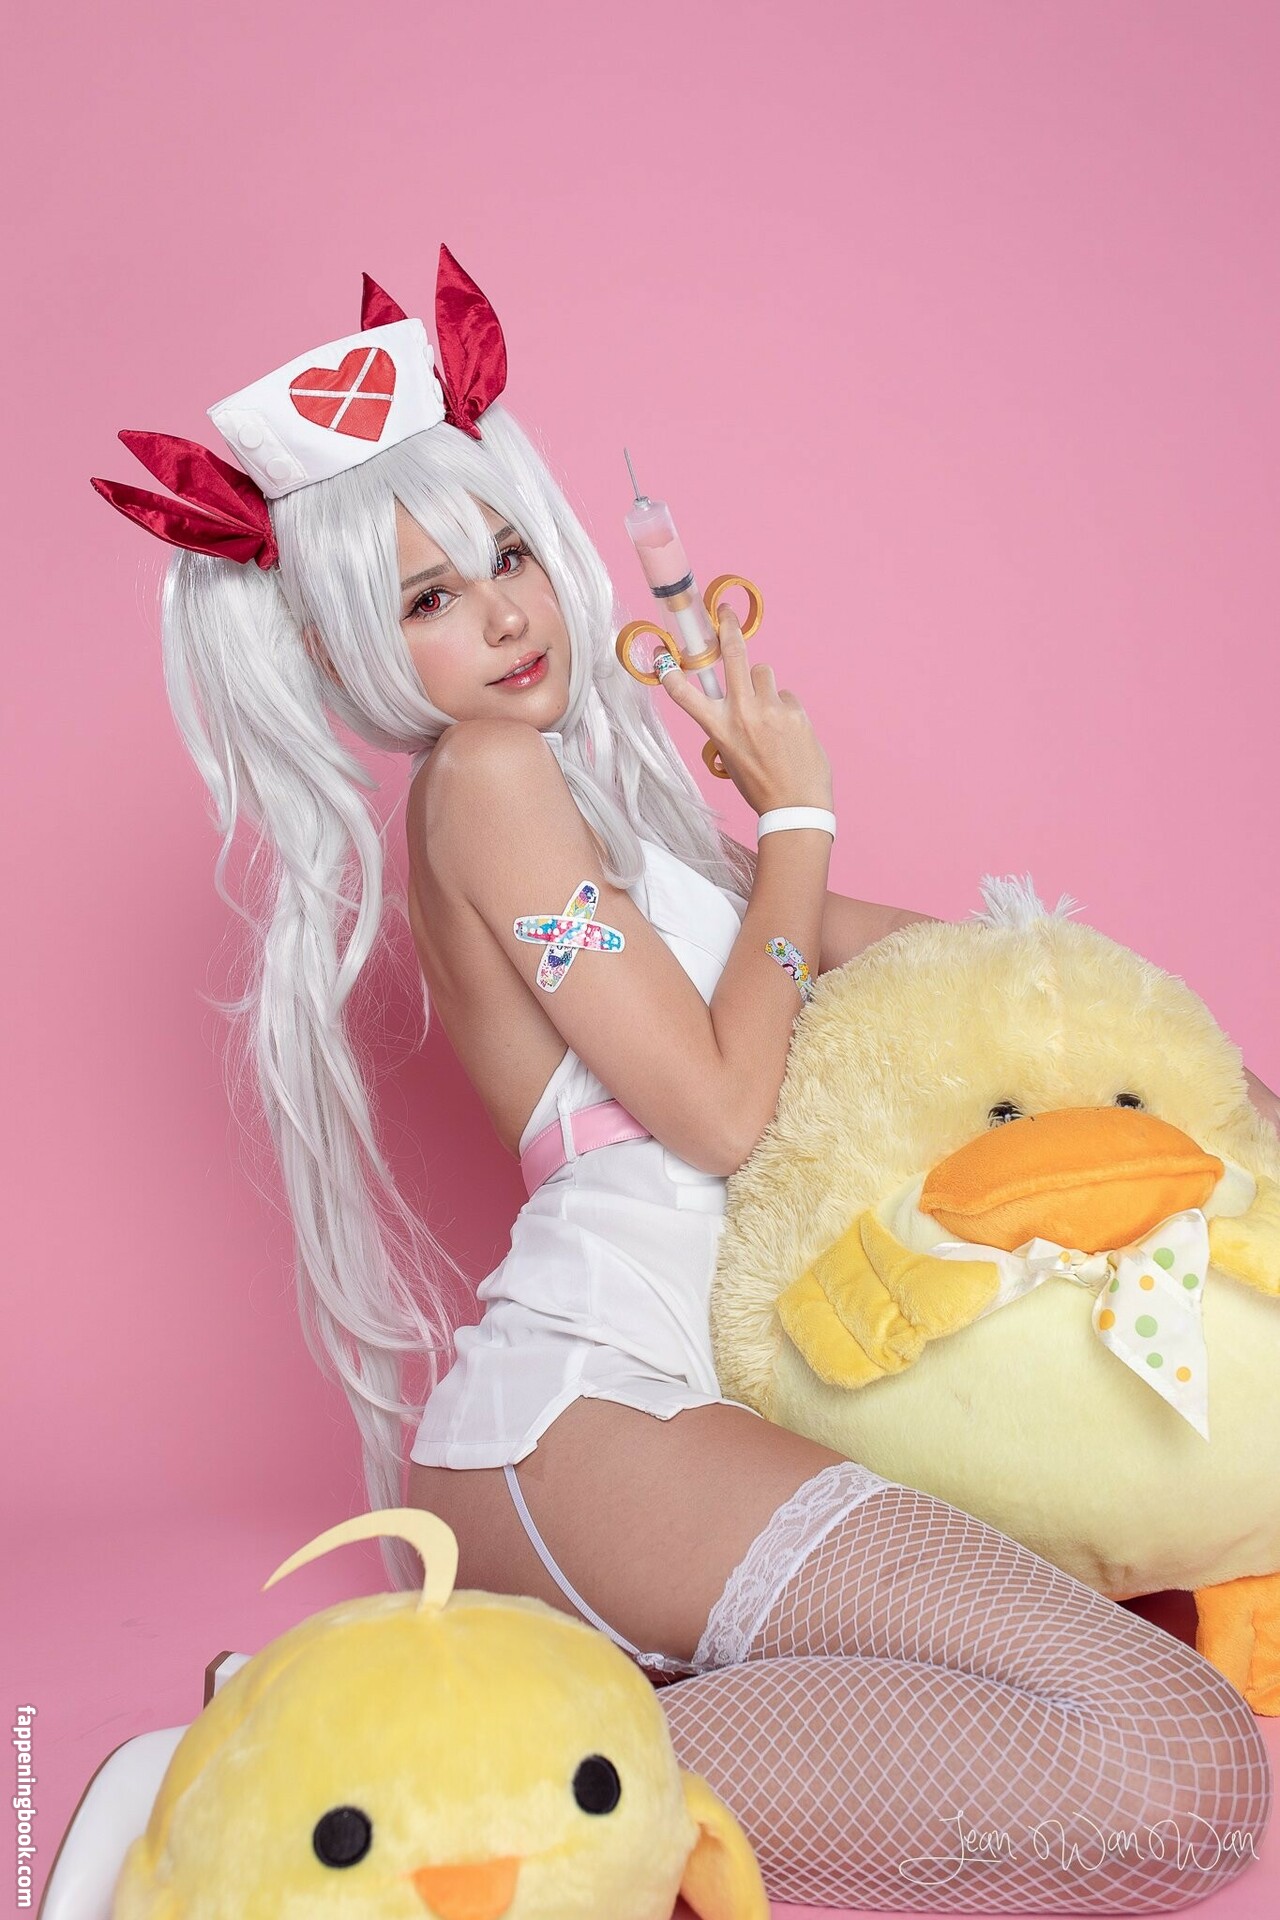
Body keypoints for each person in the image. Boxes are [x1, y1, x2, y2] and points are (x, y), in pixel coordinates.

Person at [94, 246, 1273, 1911]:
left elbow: (956, 971)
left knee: (1155, 1737)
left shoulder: (620, 824)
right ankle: (298, 1792)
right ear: (347, 645)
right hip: (590, 1418)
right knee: (1179, 1764)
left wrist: (1204, 1087)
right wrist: (796, 817)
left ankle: (464, 1749)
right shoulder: (483, 782)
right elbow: (718, 1111)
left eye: (508, 555)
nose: (505, 614)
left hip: (682, 1430)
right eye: (427, 600)